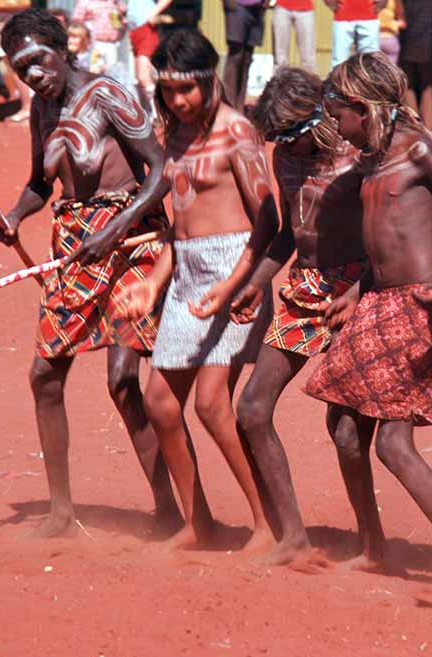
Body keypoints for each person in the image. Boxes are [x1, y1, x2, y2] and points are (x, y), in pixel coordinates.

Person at [305, 52, 432, 590]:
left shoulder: (418, 151)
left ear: (362, 107)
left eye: (337, 110)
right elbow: (385, 245)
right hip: (377, 303)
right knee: (343, 427)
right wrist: (357, 290)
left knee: (393, 443)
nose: (334, 123)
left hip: (418, 308)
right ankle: (375, 547)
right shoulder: (370, 162)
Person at [0, 8, 180, 537]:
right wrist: (13, 216)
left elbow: (163, 169)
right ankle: (60, 512)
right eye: (19, 67)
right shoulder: (41, 109)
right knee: (44, 376)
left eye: (36, 61)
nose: (31, 75)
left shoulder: (108, 94)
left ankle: (169, 508)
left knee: (123, 382)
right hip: (76, 245)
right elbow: (40, 183)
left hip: (130, 239)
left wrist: (118, 226)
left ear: (61, 47)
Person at [195, 66, 385, 566]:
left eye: (294, 137)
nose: (289, 148)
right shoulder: (284, 159)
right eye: (280, 140)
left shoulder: (357, 157)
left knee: (345, 428)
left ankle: (373, 544)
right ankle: (292, 536)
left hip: (359, 287)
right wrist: (255, 284)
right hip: (305, 285)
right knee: (252, 409)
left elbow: (389, 233)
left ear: (321, 116)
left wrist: (366, 288)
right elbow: (286, 234)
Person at [115, 29, 276, 550]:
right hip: (188, 274)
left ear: (210, 81)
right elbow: (176, 231)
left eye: (187, 89)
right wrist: (150, 284)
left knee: (211, 405)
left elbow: (268, 222)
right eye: (168, 91)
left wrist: (233, 287)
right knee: (161, 404)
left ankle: (267, 527)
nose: (178, 101)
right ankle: (196, 523)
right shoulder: (173, 138)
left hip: (236, 273)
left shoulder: (238, 133)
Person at [125, 0, 173, 116]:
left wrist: (153, 13)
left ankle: (157, 114)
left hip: (146, 28)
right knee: (139, 78)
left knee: (143, 76)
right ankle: (147, 114)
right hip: (135, 30)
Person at [398, 0, 432, 130]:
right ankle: (429, 127)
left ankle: (416, 126)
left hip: (407, 38)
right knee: (427, 84)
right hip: (426, 40)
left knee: (410, 84)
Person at [222, 0, 265, 112]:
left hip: (257, 8)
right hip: (237, 6)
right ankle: (228, 105)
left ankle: (239, 106)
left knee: (247, 58)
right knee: (236, 55)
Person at [71, 0, 127, 75]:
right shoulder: (85, 2)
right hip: (93, 44)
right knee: (94, 71)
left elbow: (124, 14)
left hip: (112, 44)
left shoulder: (116, 2)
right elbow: (76, 21)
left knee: (111, 73)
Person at [326, 0, 381, 68]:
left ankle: (371, 78)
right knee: (339, 60)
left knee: (371, 59)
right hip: (342, 12)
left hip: (370, 12)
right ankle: (337, 78)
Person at [271, 0, 316, 72]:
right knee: (280, 57)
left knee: (308, 55)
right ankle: (279, 81)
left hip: (305, 8)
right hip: (281, 7)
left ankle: (310, 81)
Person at [378, 0, 403, 66]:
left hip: (373, 39)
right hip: (390, 38)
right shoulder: (395, 1)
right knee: (391, 71)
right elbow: (402, 22)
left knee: (372, 71)